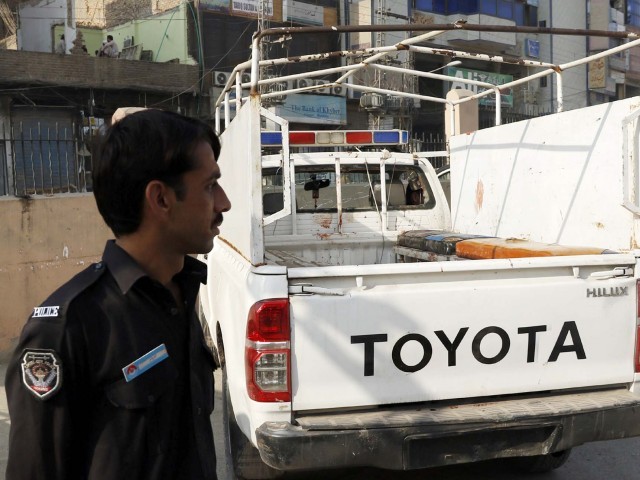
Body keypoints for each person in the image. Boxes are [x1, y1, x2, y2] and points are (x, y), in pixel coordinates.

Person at [5, 108, 231, 480]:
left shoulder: (183, 292)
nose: (223, 203)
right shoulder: (66, 330)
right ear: (160, 199)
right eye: (210, 186)